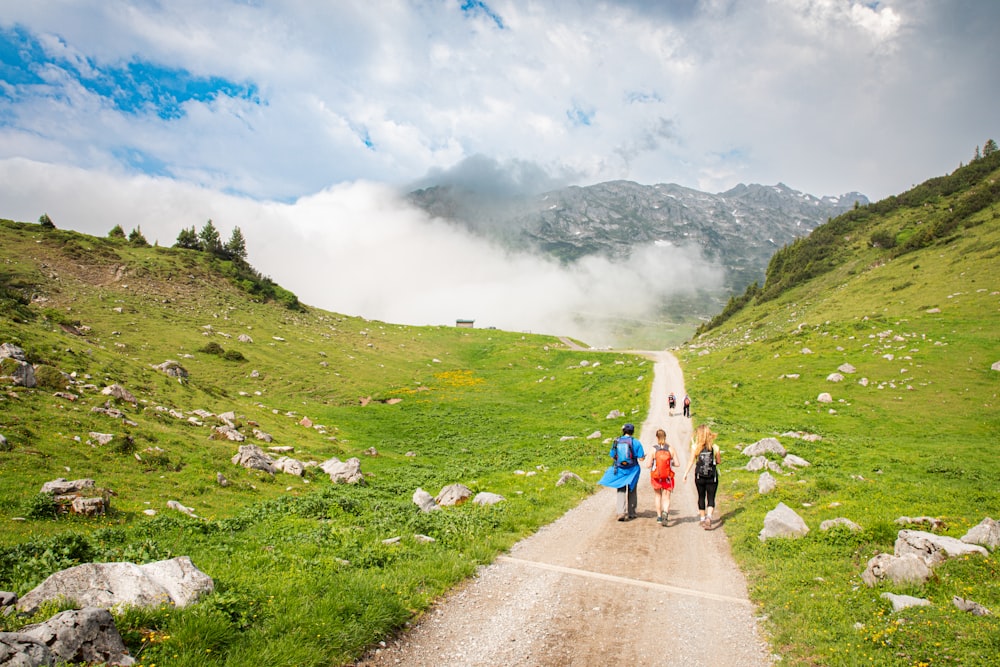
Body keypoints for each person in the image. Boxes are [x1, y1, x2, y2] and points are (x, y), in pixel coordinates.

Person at [597, 423, 645, 521]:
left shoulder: (617, 441)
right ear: (633, 431)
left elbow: (612, 455)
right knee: (632, 490)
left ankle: (621, 513)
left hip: (620, 470)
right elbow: (641, 458)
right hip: (633, 470)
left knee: (621, 490)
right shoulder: (636, 442)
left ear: (623, 431)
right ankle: (632, 513)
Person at [682, 424, 720, 529]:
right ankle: (709, 517)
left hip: (699, 476)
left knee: (701, 496)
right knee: (711, 497)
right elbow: (718, 461)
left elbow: (691, 461)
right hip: (712, 476)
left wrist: (685, 474)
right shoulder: (715, 447)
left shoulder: (695, 447)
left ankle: (702, 519)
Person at [649, 428, 677, 525]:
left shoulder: (653, 449)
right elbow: (677, 464)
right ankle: (665, 512)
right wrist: (670, 463)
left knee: (658, 496)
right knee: (667, 497)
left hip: (656, 477)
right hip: (668, 476)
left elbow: (648, 465)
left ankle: (659, 517)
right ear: (665, 436)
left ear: (657, 437)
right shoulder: (670, 449)